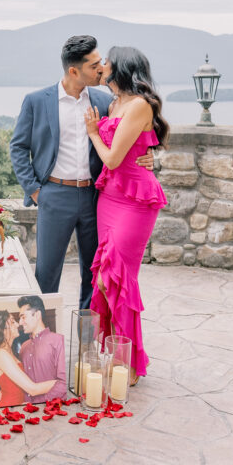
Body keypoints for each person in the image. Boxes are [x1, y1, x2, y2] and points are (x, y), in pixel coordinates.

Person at [10, 36, 154, 308]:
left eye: (102, 62)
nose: (101, 68)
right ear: (74, 71)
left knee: (94, 274)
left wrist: (148, 156)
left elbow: (132, 133)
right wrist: (35, 190)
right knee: (46, 273)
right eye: (94, 65)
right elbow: (18, 147)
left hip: (96, 198)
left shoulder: (105, 101)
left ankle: (88, 343)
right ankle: (43, 343)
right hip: (53, 195)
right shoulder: (37, 101)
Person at [84, 47, 169, 386]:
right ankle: (113, 354)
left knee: (117, 278)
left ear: (120, 67)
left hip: (135, 200)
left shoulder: (138, 105)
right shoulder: (114, 104)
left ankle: (130, 363)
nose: (101, 66)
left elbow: (114, 159)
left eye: (105, 61)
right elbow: (140, 147)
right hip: (109, 197)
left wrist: (93, 132)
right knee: (105, 281)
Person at [0, 309, 59, 407]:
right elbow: (33, 389)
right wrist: (60, 382)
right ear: (3, 329)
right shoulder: (1, 354)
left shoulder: (9, 351)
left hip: (17, 407)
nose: (17, 325)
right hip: (9, 410)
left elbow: (10, 380)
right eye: (13, 321)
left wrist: (3, 390)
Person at [16, 295, 67, 403]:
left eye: (23, 317)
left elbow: (63, 383)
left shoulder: (59, 341)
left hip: (50, 410)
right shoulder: (24, 348)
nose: (20, 322)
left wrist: (41, 403)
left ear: (37, 315)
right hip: (25, 410)